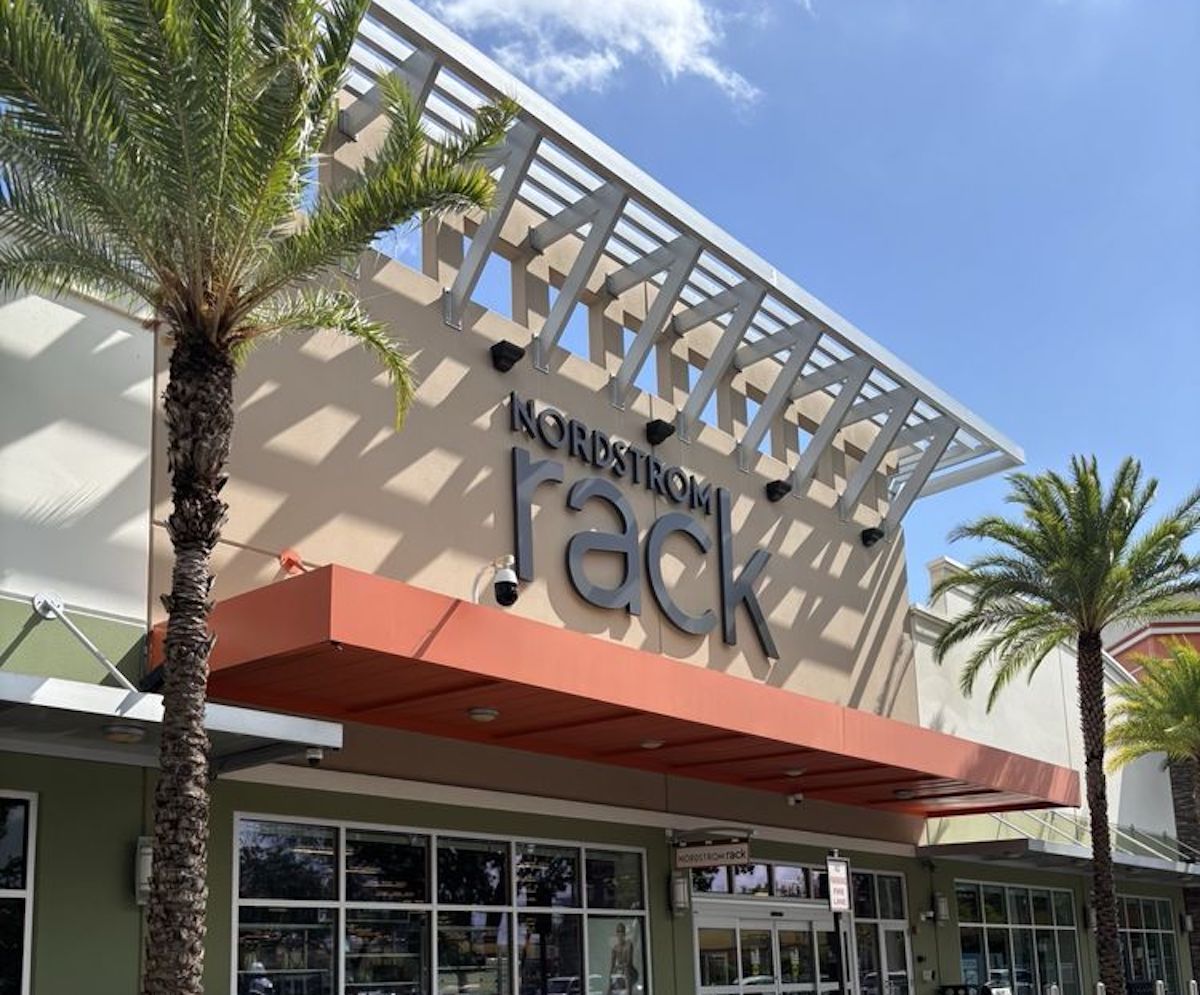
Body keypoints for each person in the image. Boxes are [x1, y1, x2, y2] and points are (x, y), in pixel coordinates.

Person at [608, 922, 638, 995]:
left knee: (626, 970)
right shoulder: (615, 948)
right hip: (621, 971)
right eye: (618, 932)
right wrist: (610, 979)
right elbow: (612, 965)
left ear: (624, 933)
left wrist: (620, 967)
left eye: (621, 931)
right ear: (616, 934)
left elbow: (629, 961)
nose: (620, 934)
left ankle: (629, 993)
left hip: (631, 971)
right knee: (613, 974)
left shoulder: (628, 945)